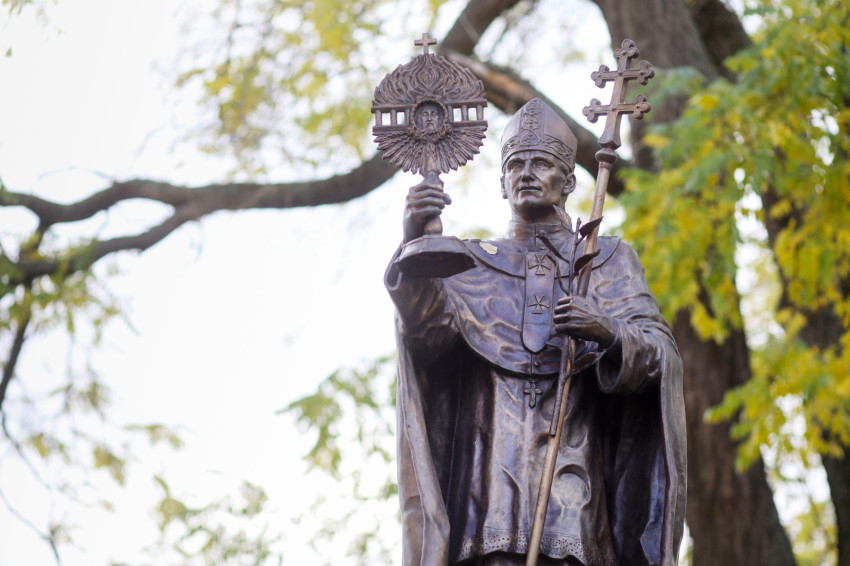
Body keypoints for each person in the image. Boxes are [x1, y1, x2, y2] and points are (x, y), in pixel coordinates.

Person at [385, 98, 685, 566]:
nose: (526, 174)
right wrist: (415, 246)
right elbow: (428, 336)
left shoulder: (606, 262)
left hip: (575, 491)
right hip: (484, 493)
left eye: (541, 163)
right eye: (515, 165)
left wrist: (607, 330)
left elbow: (660, 355)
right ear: (502, 183)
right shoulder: (467, 265)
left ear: (569, 181)